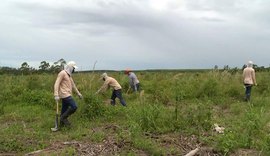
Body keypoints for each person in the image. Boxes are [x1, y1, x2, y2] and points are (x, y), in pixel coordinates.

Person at [54, 61, 83, 127]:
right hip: (65, 94)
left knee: (64, 110)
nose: (74, 70)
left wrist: (78, 93)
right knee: (74, 106)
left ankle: (61, 125)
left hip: (67, 94)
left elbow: (73, 85)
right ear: (70, 67)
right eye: (73, 68)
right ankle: (63, 118)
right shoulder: (62, 73)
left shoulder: (69, 75)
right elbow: (57, 83)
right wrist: (56, 94)